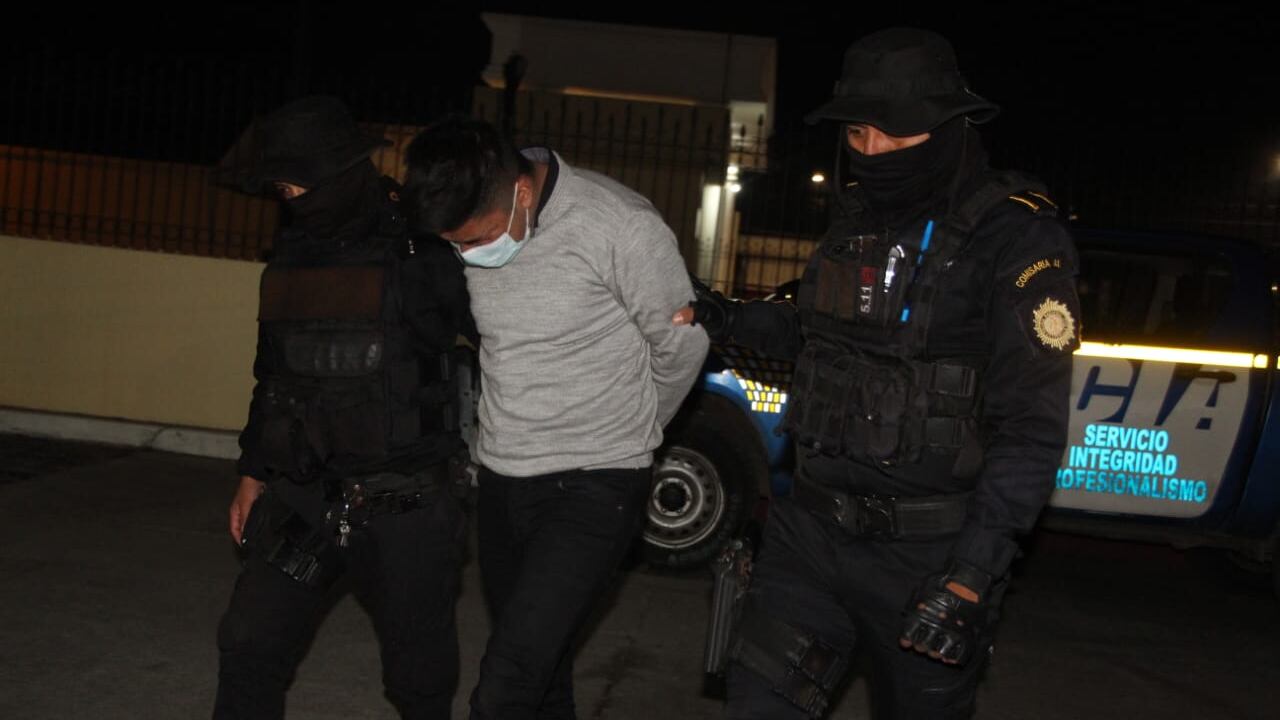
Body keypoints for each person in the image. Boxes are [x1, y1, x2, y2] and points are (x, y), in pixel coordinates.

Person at [676, 27, 1081, 719]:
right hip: (809, 539)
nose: (873, 153)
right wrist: (727, 318)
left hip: (927, 555)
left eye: (895, 134)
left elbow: (1029, 430)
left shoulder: (1015, 237)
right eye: (860, 134)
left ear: (949, 127)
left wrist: (972, 575)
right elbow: (813, 332)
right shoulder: (857, 219)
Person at [402, 116, 709, 719]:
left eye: (478, 239)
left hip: (594, 484)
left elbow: (681, 345)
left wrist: (633, 430)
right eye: (457, 245)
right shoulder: (473, 219)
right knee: (543, 676)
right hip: (502, 480)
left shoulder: (620, 225)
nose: (469, 255)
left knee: (506, 686)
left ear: (521, 191)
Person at [213, 95, 477, 720]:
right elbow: (273, 372)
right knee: (249, 643)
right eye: (283, 189)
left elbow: (501, 340)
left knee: (419, 681)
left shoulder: (422, 248)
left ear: (340, 174)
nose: (292, 200)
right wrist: (252, 472)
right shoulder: (293, 251)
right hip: (306, 498)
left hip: (405, 504)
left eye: (299, 186)